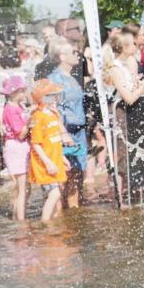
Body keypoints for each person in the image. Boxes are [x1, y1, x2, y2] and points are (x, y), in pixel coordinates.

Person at [48, 39, 88, 209]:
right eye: (73, 52)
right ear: (62, 56)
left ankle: (74, 215)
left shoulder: (72, 76)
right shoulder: (55, 79)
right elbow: (51, 108)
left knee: (78, 177)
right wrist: (63, 133)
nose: (77, 54)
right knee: (67, 177)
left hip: (79, 132)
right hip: (66, 134)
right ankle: (64, 219)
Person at [28, 78, 69, 221]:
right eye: (52, 95)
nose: (56, 98)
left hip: (55, 159)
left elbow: (56, 141)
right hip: (45, 163)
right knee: (55, 193)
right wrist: (48, 163)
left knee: (54, 192)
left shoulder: (53, 114)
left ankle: (52, 220)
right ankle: (45, 223)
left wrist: (62, 158)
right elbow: (36, 144)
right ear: (43, 98)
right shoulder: (38, 117)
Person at [0, 75, 31, 220]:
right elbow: (20, 134)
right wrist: (30, 121)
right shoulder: (11, 110)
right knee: (22, 187)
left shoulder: (18, 107)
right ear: (14, 92)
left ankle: (16, 216)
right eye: (23, 90)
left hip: (19, 147)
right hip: (16, 147)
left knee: (24, 187)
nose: (25, 93)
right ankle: (21, 221)